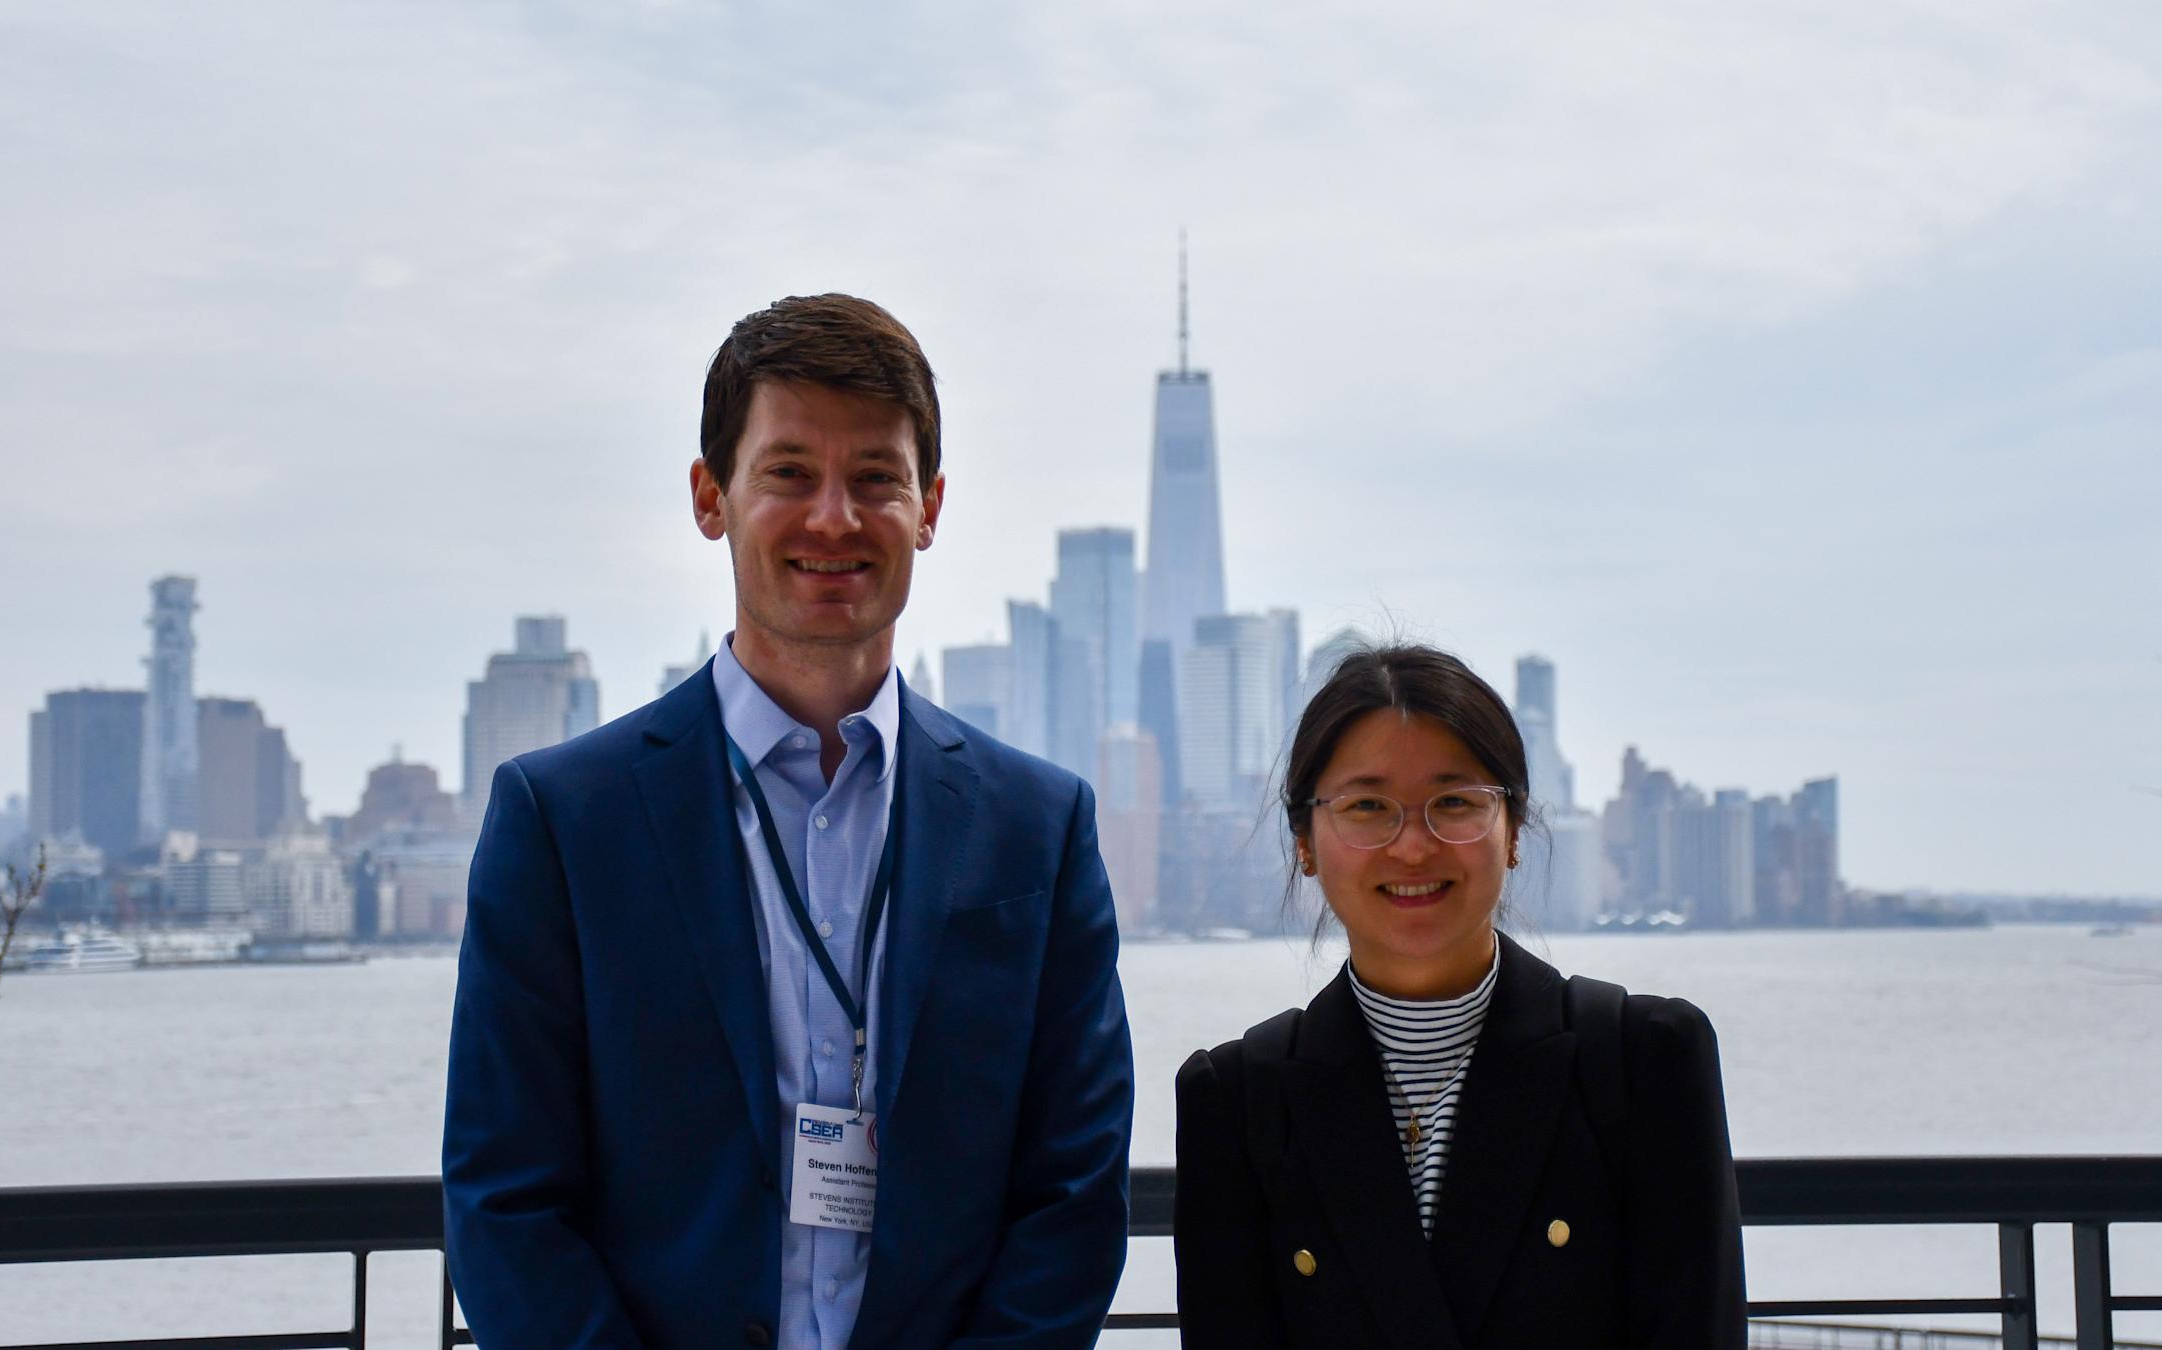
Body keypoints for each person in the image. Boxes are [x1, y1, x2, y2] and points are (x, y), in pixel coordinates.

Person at [443, 294, 1135, 1349]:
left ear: (931, 507)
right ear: (710, 496)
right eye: (788, 473)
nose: (833, 519)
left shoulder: (1038, 827)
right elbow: (506, 1200)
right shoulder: (562, 820)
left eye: (874, 479)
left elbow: (1072, 1195)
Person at [1172, 644, 1745, 1349]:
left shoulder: (1644, 1060)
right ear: (1306, 842)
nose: (1413, 846)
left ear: (1512, 832)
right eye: (1367, 807)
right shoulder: (1235, 1101)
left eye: (1454, 802)